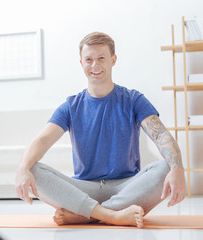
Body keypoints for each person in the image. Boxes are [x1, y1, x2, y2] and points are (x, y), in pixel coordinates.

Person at [15, 32, 186, 228]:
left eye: (101, 58)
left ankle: (86, 214)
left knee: (166, 167)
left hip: (127, 186)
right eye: (89, 59)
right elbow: (42, 140)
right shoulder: (71, 106)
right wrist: (22, 169)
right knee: (32, 169)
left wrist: (177, 169)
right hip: (84, 188)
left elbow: (161, 134)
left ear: (113, 60)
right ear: (81, 63)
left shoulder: (133, 99)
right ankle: (112, 215)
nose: (95, 65)